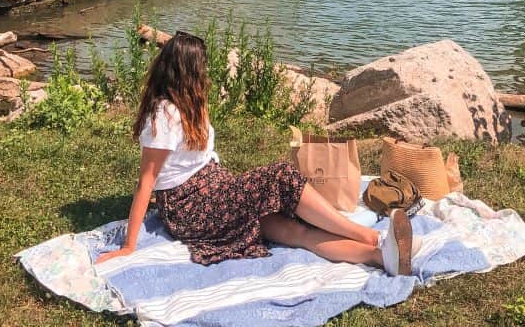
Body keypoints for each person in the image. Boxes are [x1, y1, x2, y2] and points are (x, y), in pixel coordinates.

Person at [96, 31, 419, 275]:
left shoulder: (189, 104)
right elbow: (146, 181)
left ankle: (382, 258)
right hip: (191, 208)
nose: (208, 72)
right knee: (281, 176)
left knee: (293, 231)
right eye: (203, 67)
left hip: (213, 194)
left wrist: (232, 190)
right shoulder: (163, 116)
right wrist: (128, 245)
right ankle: (372, 238)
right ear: (189, 71)